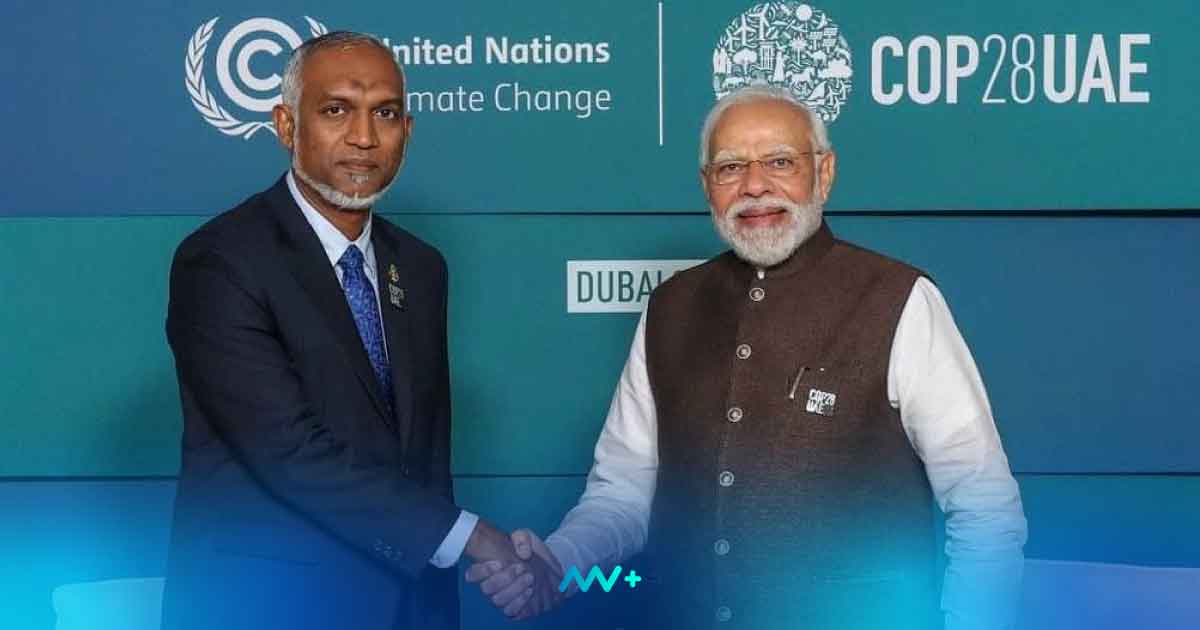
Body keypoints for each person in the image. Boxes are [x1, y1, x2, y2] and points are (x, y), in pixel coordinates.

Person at [467, 86, 1028, 630]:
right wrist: (559, 563)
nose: (755, 186)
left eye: (780, 161)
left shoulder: (898, 298)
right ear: (706, 185)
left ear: (824, 173)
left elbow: (984, 506)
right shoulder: (670, 306)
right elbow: (623, 492)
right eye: (731, 168)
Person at [161, 31, 555, 630]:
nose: (364, 137)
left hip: (410, 605)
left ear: (408, 131)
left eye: (386, 113)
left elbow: (422, 462)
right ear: (286, 125)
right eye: (336, 110)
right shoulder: (222, 260)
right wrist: (474, 538)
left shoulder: (420, 266)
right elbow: (288, 454)